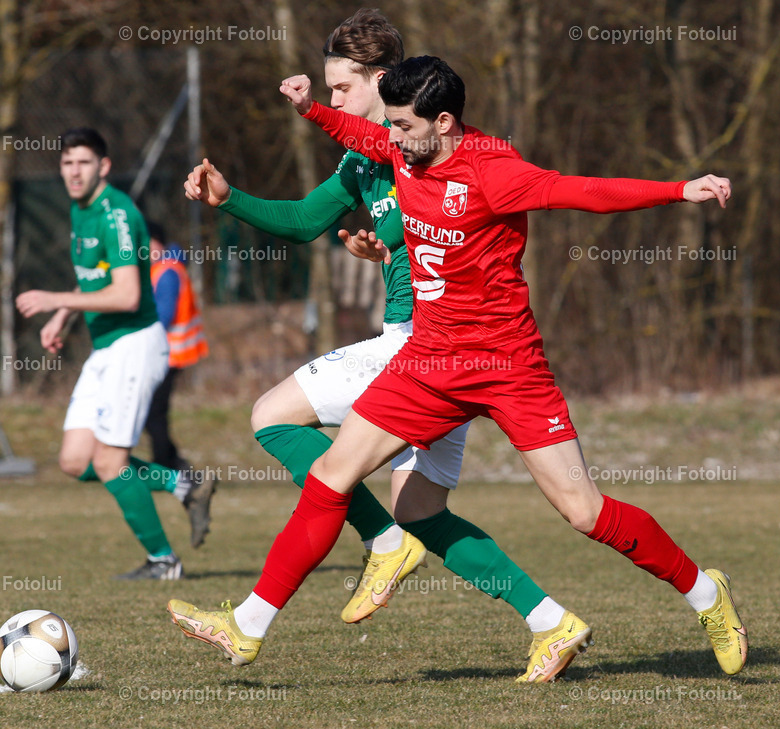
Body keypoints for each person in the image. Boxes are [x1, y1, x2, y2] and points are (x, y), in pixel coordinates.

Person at [169, 57, 747, 681]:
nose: (387, 136)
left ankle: (706, 595)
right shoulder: (402, 148)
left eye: (400, 125)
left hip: (507, 365)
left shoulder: (495, 171)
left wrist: (677, 190)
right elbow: (360, 136)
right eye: (385, 125)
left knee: (584, 513)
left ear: (443, 122)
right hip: (430, 362)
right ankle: (248, 627)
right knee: (332, 477)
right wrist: (313, 109)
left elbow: (581, 190)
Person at [180, 10, 570, 653]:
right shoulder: (366, 160)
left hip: (426, 348)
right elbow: (308, 219)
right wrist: (230, 200)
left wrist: (393, 248)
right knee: (424, 512)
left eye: (342, 88)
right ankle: (550, 621)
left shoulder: (420, 149)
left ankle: (368, 550)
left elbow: (465, 229)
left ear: (382, 81)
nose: (333, 100)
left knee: (272, 417)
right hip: (445, 355)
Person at [16, 127, 212, 580]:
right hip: (106, 348)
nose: (73, 172)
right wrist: (61, 315)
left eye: (83, 163)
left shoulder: (117, 214)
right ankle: (182, 483)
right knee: (75, 461)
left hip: (135, 344)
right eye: (66, 164)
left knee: (109, 461)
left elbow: (125, 295)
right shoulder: (79, 210)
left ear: (103, 166)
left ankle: (163, 561)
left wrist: (52, 299)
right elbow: (94, 280)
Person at [145, 222, 216, 548]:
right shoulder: (164, 268)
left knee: (154, 418)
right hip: (167, 355)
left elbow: (164, 315)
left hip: (167, 355)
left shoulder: (166, 271)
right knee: (153, 417)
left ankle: (176, 473)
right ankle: (180, 474)